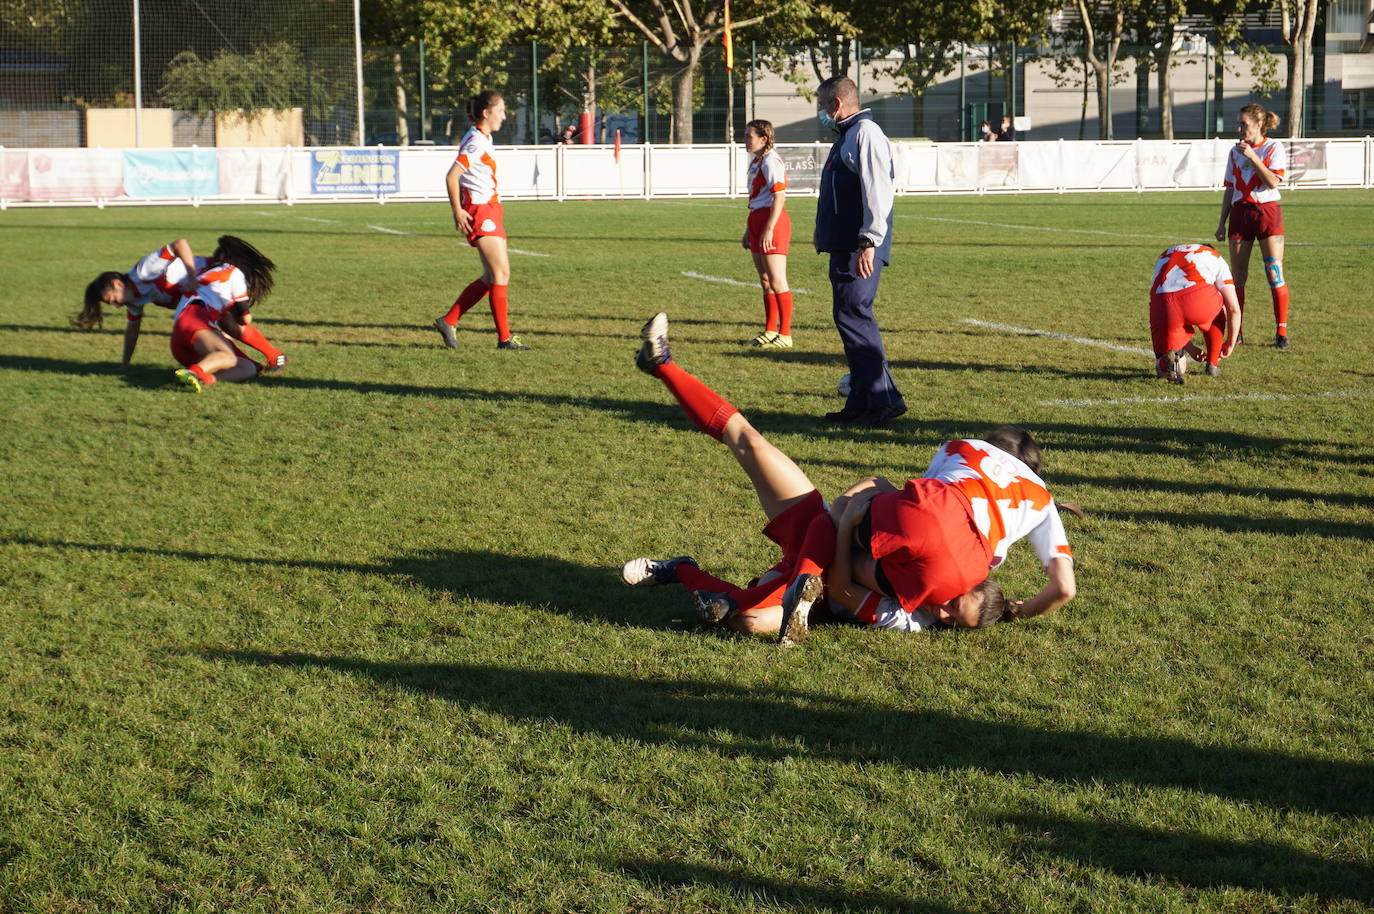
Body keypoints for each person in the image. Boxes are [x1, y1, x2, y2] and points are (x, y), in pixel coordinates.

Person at [619, 313, 1076, 644]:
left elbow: (843, 582)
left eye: (951, 619)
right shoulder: (975, 550)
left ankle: (683, 570)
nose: (943, 610)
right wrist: (857, 498)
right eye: (955, 604)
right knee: (751, 442)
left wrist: (852, 509)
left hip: (825, 569)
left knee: (754, 619)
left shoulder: (916, 615)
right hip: (823, 533)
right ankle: (661, 364)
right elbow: (891, 498)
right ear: (982, 576)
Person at [814, 75, 905, 428]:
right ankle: (864, 399)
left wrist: (869, 241)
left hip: (858, 245)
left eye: (823, 104)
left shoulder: (865, 134)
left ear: (837, 103)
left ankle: (881, 400)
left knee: (855, 313)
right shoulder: (850, 135)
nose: (822, 111)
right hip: (845, 244)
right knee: (849, 315)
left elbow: (877, 191)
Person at [79, 237, 287, 372]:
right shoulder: (134, 301)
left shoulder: (144, 270)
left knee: (228, 325)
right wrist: (124, 365)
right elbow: (132, 332)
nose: (115, 305)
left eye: (113, 300)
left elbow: (180, 244)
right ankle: (259, 364)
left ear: (117, 284)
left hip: (211, 280)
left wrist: (190, 274)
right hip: (197, 299)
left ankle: (272, 357)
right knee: (220, 330)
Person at [433, 89, 531, 352]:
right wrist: (457, 210)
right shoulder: (476, 141)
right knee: (500, 274)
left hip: (489, 209)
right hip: (481, 212)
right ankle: (504, 339)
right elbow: (452, 176)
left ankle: (449, 320)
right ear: (486, 113)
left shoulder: (482, 138)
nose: (504, 116)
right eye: (501, 111)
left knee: (492, 276)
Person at [1215, 103, 1290, 349]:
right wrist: (1221, 222)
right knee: (1237, 278)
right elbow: (1229, 189)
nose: (1239, 128)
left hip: (1267, 213)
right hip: (1240, 215)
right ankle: (1238, 331)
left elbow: (1273, 183)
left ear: (1259, 124)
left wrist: (1253, 157)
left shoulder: (1273, 147)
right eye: (1238, 124)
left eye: (1243, 124)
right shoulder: (1234, 151)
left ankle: (1281, 332)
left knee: (1274, 273)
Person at [168, 241, 279, 392]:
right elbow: (245, 319)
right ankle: (193, 372)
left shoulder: (206, 273)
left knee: (248, 368)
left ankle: (204, 379)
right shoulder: (233, 272)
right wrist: (241, 315)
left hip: (181, 342)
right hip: (194, 321)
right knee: (228, 357)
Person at [1149, 243, 1243, 384]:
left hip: (1161, 305)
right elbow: (1233, 309)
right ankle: (1212, 362)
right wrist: (1230, 342)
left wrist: (1191, 348)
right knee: (1220, 301)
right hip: (1196, 300)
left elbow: (1173, 303)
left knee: (1169, 367)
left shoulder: (1166, 253)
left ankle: (1166, 364)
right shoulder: (1215, 257)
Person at [740, 119, 794, 349]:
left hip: (772, 220)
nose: (745, 140)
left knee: (777, 279)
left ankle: (785, 333)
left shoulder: (772, 161)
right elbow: (757, 198)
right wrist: (748, 229)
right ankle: (770, 329)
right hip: (757, 218)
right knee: (765, 281)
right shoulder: (757, 161)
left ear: (763, 138)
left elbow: (779, 196)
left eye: (749, 136)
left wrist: (769, 228)